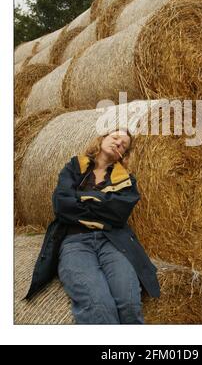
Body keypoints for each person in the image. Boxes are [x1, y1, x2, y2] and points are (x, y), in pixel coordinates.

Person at [24, 128, 160, 324]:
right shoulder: (74, 167)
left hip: (113, 242)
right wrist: (102, 203)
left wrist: (80, 199)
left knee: (129, 303)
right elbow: (61, 204)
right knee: (98, 305)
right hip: (75, 243)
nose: (118, 143)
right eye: (115, 137)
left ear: (124, 154)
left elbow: (118, 213)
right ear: (103, 138)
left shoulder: (127, 181)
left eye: (123, 144)